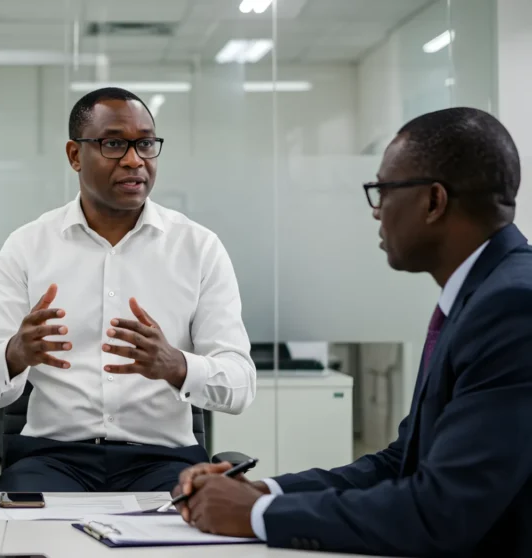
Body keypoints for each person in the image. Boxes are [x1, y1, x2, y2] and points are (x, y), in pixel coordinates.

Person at [174, 107, 532, 556]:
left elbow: (442, 511)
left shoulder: (513, 306)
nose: (376, 212)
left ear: (434, 201)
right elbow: (402, 463)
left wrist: (255, 516)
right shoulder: (480, 296)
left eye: (383, 190)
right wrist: (264, 492)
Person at [0, 87, 257, 492]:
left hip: (164, 461)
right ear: (74, 155)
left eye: (146, 144)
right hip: (52, 460)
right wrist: (15, 354)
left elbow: (241, 385)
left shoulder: (198, 248)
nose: (135, 160)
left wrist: (177, 365)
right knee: (22, 542)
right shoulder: (28, 247)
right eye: (114, 143)